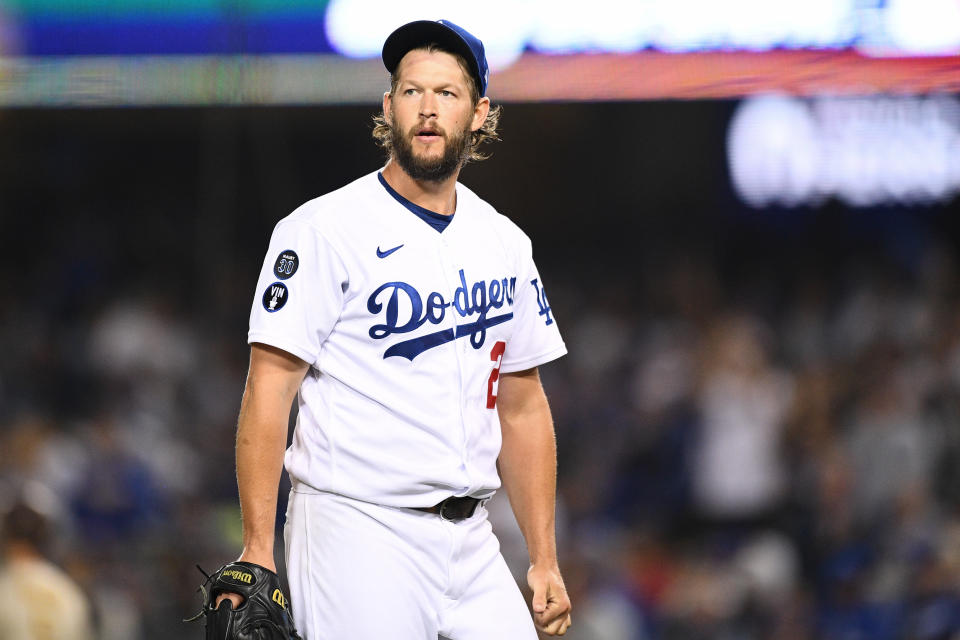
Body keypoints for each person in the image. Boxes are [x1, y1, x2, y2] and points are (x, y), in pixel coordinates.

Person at [217, 18, 573, 639]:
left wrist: (543, 557)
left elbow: (522, 407)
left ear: (480, 113)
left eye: (447, 93)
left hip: (471, 535)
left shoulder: (505, 242)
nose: (428, 109)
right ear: (389, 106)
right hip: (356, 526)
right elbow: (269, 388)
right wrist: (257, 545)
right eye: (411, 92)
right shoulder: (322, 229)